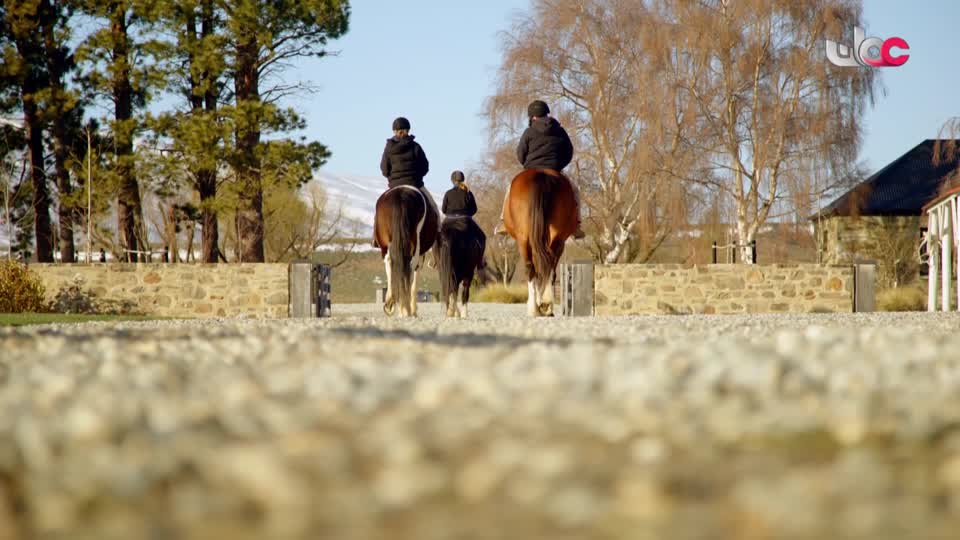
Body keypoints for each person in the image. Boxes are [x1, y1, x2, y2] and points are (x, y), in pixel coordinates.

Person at [494, 100, 585, 239]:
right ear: (547, 113)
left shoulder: (529, 131)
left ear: (532, 117)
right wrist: (559, 166)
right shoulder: (560, 131)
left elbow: (521, 153)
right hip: (554, 169)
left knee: (511, 188)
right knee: (574, 191)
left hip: (532, 167)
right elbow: (569, 151)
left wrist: (527, 166)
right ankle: (577, 225)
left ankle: (503, 222)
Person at [375, 117, 440, 246]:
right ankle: (438, 234)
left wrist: (392, 179)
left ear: (394, 131)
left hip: (394, 185)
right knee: (434, 208)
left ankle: (375, 238)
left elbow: (384, 169)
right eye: (402, 131)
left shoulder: (388, 148)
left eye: (402, 131)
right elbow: (425, 167)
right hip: (415, 184)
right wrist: (417, 177)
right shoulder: (416, 146)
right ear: (407, 131)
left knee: (378, 208)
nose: (402, 133)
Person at [442, 170, 486, 268]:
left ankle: (434, 261)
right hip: (465, 219)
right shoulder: (468, 193)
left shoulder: (448, 193)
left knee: (437, 236)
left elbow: (443, 209)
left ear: (452, 181)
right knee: (482, 237)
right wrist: (467, 214)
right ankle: (480, 262)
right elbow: (474, 209)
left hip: (449, 219)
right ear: (463, 180)